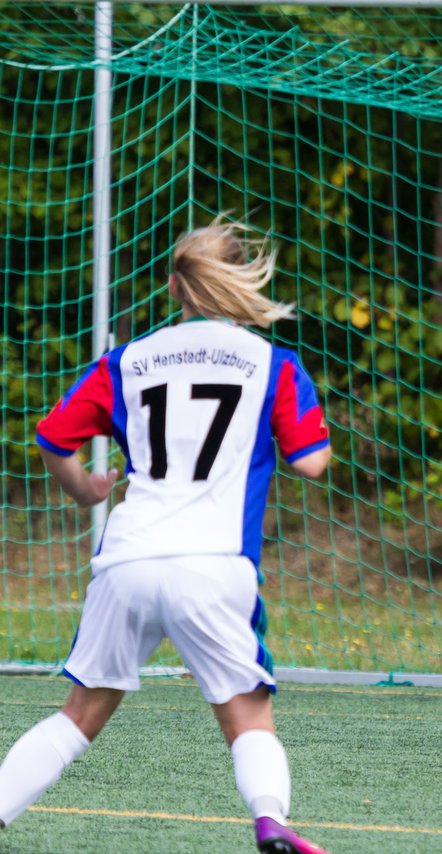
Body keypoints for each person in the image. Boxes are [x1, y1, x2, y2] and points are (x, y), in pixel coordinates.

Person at [1, 217, 332, 853]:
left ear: (173, 286)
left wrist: (86, 488)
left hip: (127, 558)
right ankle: (271, 821)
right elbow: (309, 461)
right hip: (212, 563)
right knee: (247, 716)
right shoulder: (274, 364)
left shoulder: (127, 361)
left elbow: (53, 438)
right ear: (236, 282)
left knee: (75, 720)